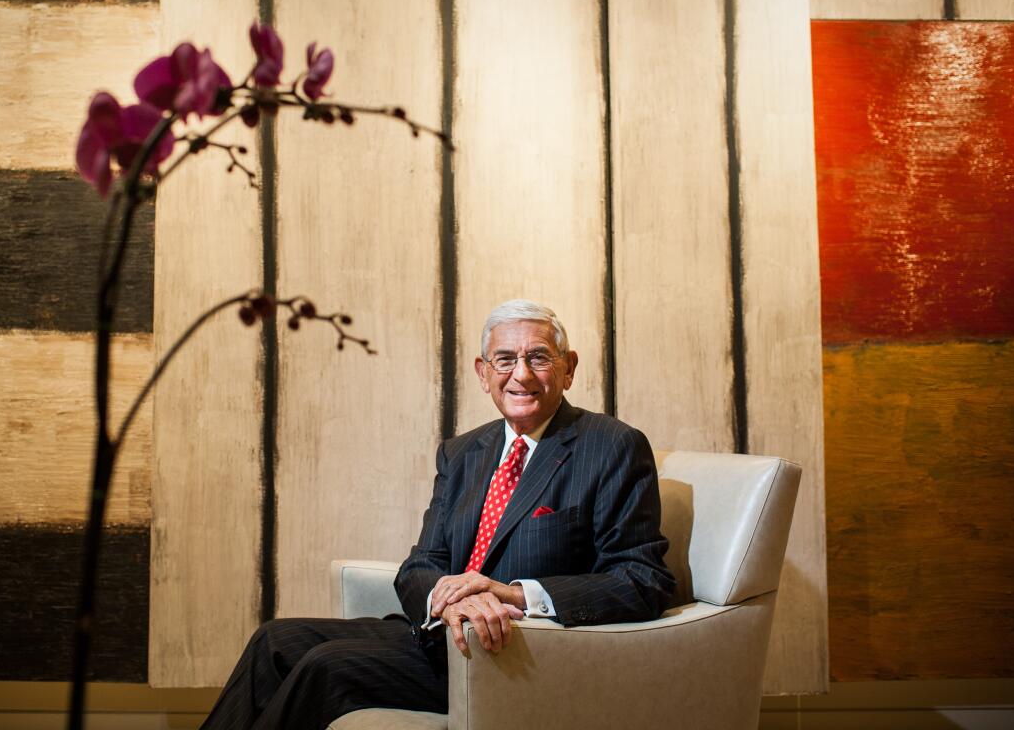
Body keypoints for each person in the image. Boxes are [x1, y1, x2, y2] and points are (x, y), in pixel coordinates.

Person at [200, 300, 675, 729]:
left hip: (517, 652)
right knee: (274, 641)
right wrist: (447, 601)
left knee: (328, 667)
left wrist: (510, 594)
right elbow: (420, 565)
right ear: (483, 372)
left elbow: (641, 580)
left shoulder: (612, 445)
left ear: (568, 369)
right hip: (439, 636)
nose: (521, 375)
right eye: (505, 360)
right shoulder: (464, 452)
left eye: (539, 357)